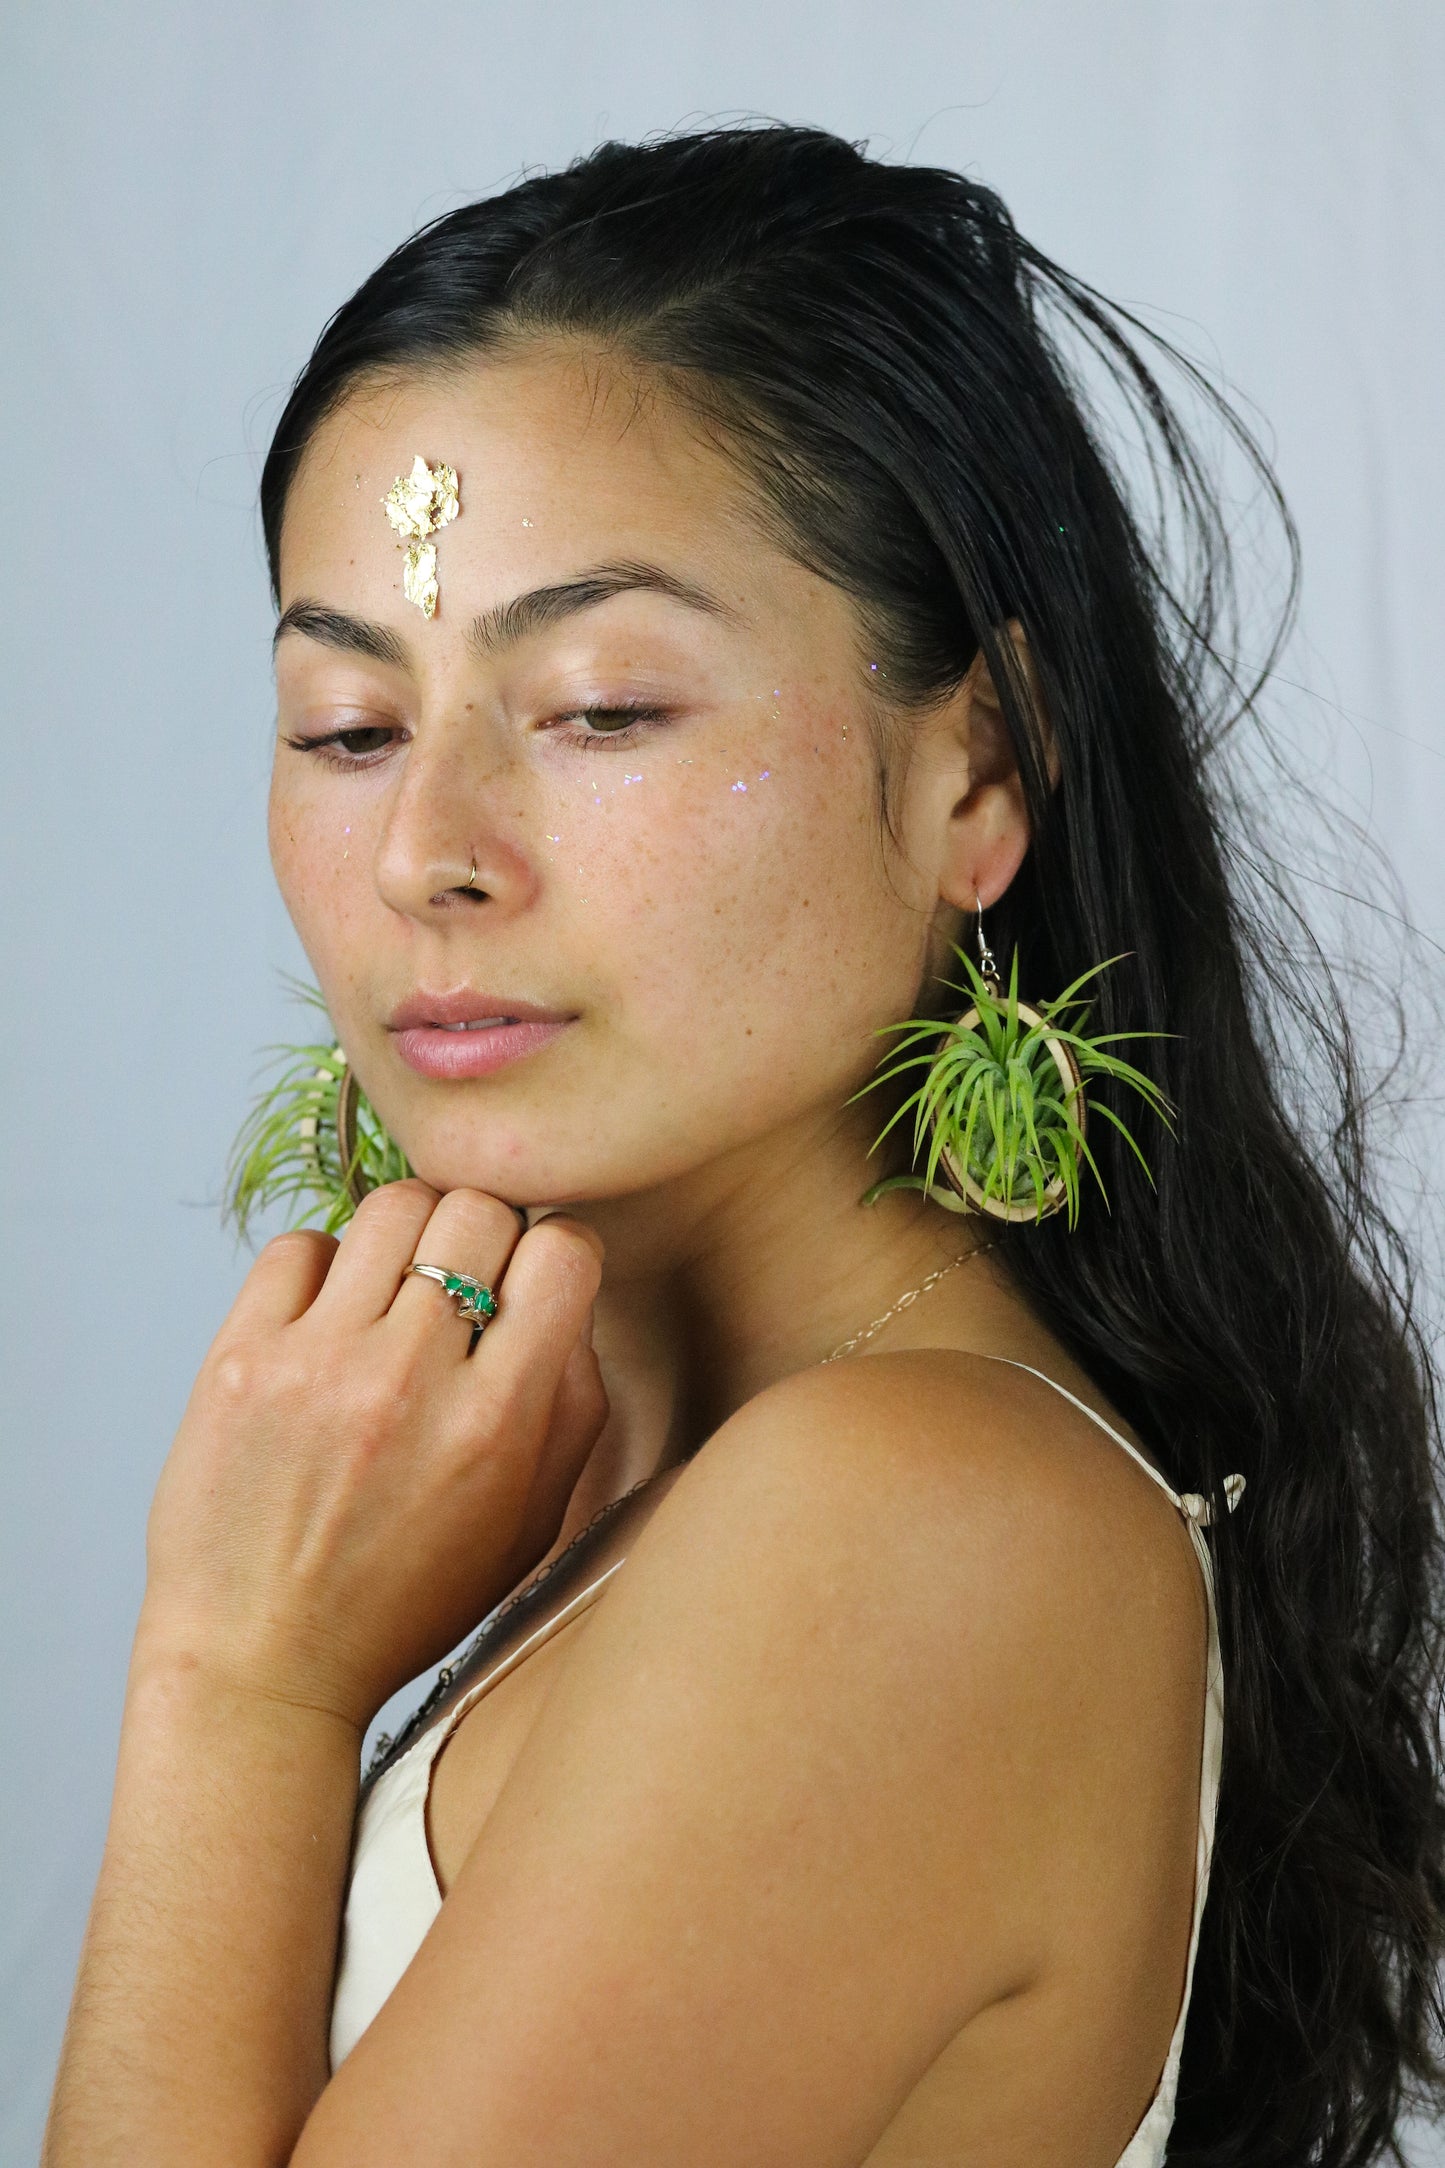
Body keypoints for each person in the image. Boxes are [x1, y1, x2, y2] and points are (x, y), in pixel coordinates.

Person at [43, 122, 1445, 2167]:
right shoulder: (664, 1476)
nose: (429, 850)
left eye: (602, 708)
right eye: (349, 725)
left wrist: (234, 1679)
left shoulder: (917, 1516)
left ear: (982, 768)